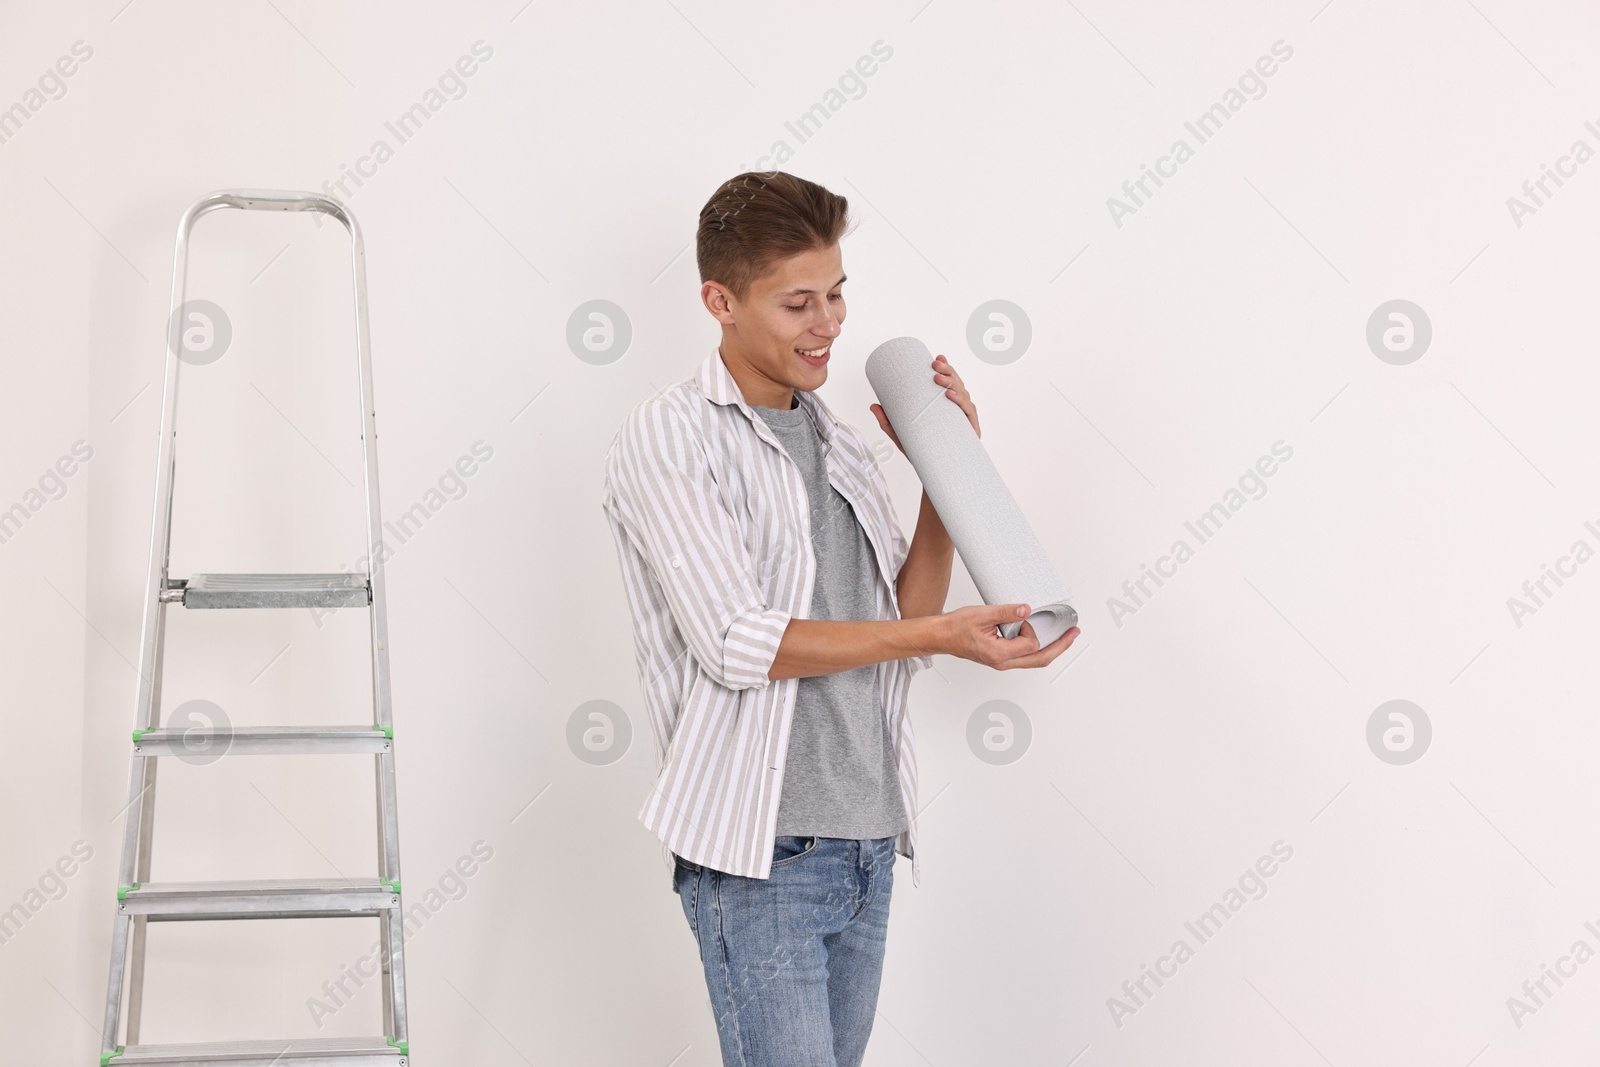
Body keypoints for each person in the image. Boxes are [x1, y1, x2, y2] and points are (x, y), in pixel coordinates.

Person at [600, 171, 1078, 1067]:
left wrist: (946, 473)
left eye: (837, 293)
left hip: (867, 838)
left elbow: (903, 617)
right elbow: (740, 642)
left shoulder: (840, 440)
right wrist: (939, 635)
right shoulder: (672, 435)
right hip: (764, 850)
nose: (830, 323)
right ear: (721, 301)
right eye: (797, 303)